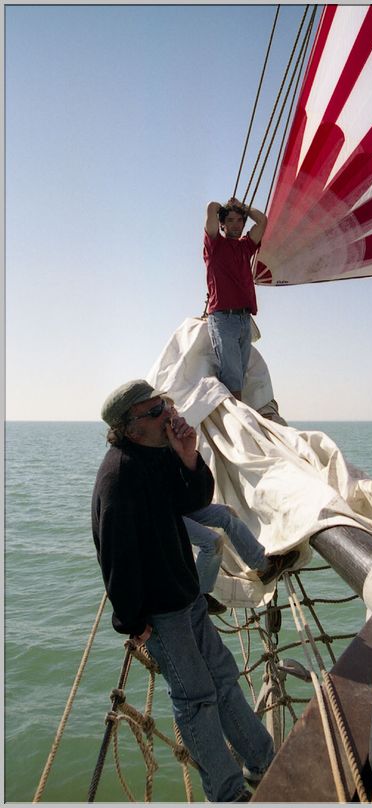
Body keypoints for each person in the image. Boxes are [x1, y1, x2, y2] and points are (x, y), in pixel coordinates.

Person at [91, 379, 274, 802]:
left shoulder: (154, 457)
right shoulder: (118, 476)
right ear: (131, 425)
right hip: (162, 615)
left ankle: (262, 758)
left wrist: (188, 457)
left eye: (164, 406)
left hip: (187, 597)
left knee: (224, 679)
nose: (167, 416)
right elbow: (114, 556)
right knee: (196, 700)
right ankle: (228, 794)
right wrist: (133, 624)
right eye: (156, 412)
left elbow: (192, 498)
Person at [204, 196, 267, 400]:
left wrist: (243, 208)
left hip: (243, 319)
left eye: (239, 220)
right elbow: (211, 208)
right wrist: (224, 208)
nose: (235, 224)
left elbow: (262, 221)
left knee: (239, 375)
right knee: (232, 378)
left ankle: (238, 417)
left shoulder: (245, 247)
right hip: (223, 318)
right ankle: (238, 424)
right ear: (222, 225)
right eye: (230, 220)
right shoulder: (214, 245)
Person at [186, 503, 300, 615]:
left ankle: (263, 566)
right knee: (212, 543)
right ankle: (199, 597)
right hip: (169, 516)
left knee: (226, 514)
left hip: (177, 505)